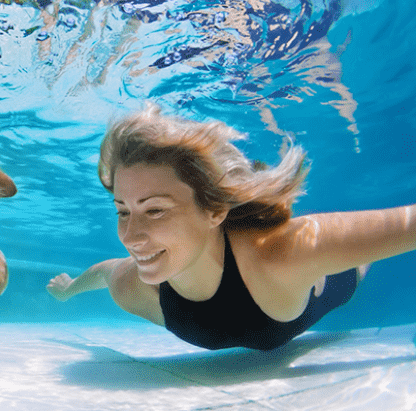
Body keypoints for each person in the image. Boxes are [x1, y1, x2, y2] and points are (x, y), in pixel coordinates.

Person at [46, 104, 415, 351]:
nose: (131, 236)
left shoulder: (283, 253)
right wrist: (67, 289)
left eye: (155, 210)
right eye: (123, 211)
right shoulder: (134, 289)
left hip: (331, 279)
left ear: (215, 210)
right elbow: (105, 271)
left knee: (353, 260)